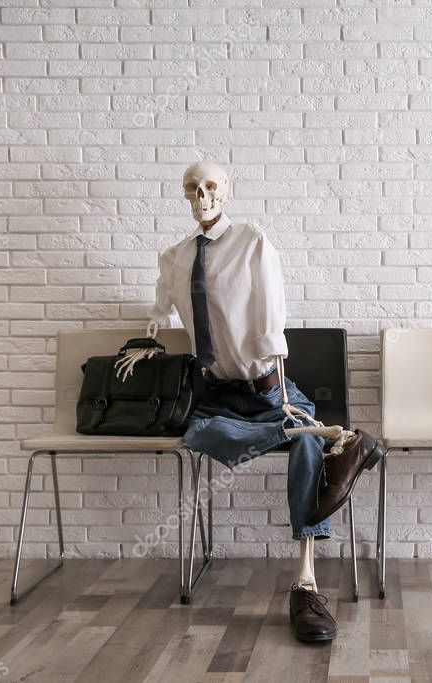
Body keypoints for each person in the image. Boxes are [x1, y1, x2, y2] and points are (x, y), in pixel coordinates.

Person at [149, 160, 379, 643]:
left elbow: (272, 303)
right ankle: (337, 436)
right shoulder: (173, 256)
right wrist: (151, 326)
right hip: (215, 396)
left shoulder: (251, 240)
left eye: (210, 187)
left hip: (268, 387)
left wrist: (276, 349)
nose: (202, 197)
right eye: (192, 189)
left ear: (225, 191)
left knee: (306, 452)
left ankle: (306, 583)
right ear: (184, 195)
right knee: (200, 435)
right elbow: (163, 306)